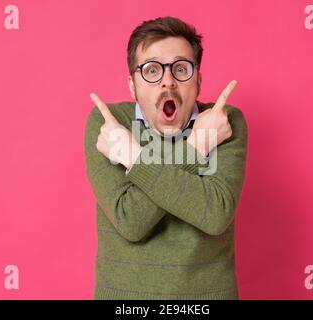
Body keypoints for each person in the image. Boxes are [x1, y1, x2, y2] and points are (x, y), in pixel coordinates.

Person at [84, 16, 248, 300]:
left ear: (198, 80)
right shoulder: (110, 124)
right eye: (151, 71)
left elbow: (215, 215)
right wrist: (197, 148)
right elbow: (131, 221)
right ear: (133, 85)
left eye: (181, 69)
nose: (168, 82)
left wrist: (134, 157)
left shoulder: (222, 122)